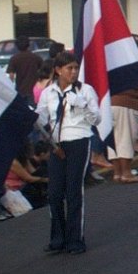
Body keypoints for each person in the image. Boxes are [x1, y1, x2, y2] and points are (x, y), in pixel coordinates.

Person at [36, 52, 100, 254]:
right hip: (57, 145)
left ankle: (75, 239)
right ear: (58, 70)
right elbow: (41, 118)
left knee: (74, 191)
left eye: (75, 68)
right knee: (54, 193)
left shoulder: (85, 90)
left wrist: (81, 104)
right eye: (69, 68)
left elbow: (96, 119)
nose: (73, 72)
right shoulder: (49, 92)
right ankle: (58, 238)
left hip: (79, 141)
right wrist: (30, 116)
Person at [6, 35, 44, 104]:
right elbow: (43, 70)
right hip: (33, 90)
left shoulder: (14, 58)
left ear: (17, 46)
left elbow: (11, 76)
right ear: (28, 45)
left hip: (20, 91)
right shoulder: (35, 57)